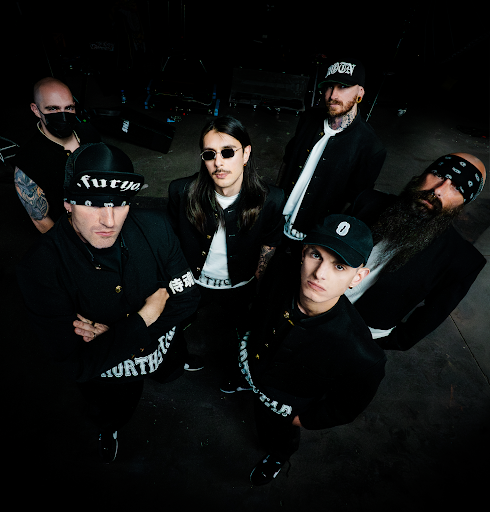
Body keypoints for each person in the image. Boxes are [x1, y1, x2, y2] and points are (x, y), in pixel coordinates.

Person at [16, 142, 200, 462]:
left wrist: (116, 338)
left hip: (162, 347)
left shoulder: (156, 227)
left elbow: (188, 299)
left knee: (170, 367)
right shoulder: (41, 267)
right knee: (110, 408)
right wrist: (146, 316)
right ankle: (110, 427)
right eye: (93, 204)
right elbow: (75, 364)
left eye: (119, 203)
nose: (109, 220)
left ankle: (171, 367)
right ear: (68, 203)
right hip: (110, 376)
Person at [238, 214, 386, 485]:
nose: (319, 274)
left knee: (276, 435)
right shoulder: (280, 273)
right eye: (316, 255)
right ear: (303, 252)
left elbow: (345, 408)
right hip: (254, 368)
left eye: (339, 266)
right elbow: (259, 311)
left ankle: (278, 455)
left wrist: (301, 420)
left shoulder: (362, 354)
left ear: (358, 277)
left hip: (285, 406)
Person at [167, 115, 285, 389]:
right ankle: (175, 360)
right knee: (173, 324)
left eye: (228, 152)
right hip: (192, 282)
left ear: (246, 154)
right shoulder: (181, 191)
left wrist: (259, 292)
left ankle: (243, 375)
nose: (218, 163)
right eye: (210, 154)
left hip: (241, 286)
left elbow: (269, 247)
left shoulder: (271, 199)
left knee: (247, 333)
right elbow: (169, 242)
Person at [345, 152, 487, 350]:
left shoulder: (463, 260)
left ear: (463, 203)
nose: (438, 190)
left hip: (358, 338)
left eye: (457, 187)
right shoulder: (367, 201)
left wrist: (381, 341)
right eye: (439, 175)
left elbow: (430, 316)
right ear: (423, 174)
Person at [277, 58, 386, 256]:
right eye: (329, 86)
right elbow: (287, 161)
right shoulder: (309, 118)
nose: (333, 95)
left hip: (314, 237)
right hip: (277, 222)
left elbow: (353, 203)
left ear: (360, 93)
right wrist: (274, 202)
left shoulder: (371, 147)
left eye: (343, 87)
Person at [14, 77, 101, 233]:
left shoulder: (88, 133)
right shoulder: (28, 160)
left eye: (69, 108)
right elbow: (41, 220)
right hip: (71, 232)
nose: (63, 115)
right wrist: (70, 243)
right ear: (36, 110)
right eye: (53, 109)